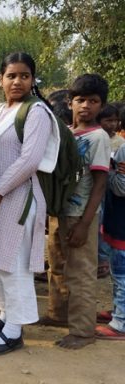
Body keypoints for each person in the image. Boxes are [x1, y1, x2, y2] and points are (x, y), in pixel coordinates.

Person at [0, 52, 59, 356]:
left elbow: (30, 160)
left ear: (33, 80)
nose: (17, 81)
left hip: (18, 198)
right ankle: (5, 315)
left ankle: (14, 332)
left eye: (24, 75)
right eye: (11, 76)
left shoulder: (36, 113)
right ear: (0, 80)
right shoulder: (0, 112)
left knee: (12, 263)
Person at [42, 74, 110, 350]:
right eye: (80, 100)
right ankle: (58, 314)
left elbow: (100, 183)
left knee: (80, 272)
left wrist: (84, 223)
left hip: (82, 215)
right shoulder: (67, 134)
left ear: (101, 105)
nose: (85, 106)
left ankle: (83, 330)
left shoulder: (98, 138)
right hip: (59, 212)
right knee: (56, 265)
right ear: (70, 102)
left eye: (93, 101)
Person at [95, 124, 125, 340]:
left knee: (122, 275)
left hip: (122, 225)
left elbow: (121, 187)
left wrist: (109, 171)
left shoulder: (123, 150)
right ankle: (118, 312)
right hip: (117, 224)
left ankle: (120, 323)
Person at [96, 104, 123, 279]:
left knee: (106, 222)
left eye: (115, 120)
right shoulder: (97, 137)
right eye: (108, 120)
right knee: (98, 223)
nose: (112, 124)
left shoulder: (120, 143)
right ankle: (101, 258)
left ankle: (104, 260)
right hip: (97, 188)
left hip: (111, 190)